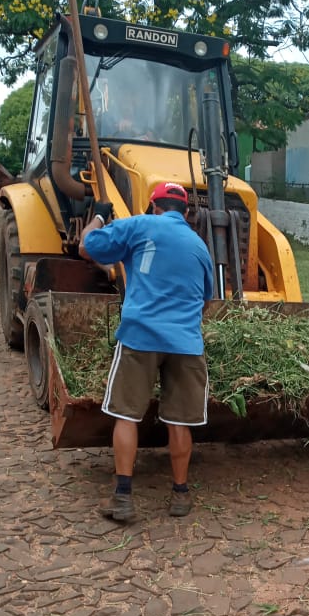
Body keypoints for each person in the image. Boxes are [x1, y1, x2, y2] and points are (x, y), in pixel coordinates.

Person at [79, 182, 214, 521]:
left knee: (126, 414)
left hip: (140, 337)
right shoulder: (199, 246)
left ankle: (123, 498)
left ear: (154, 207)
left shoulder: (139, 225)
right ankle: (180, 495)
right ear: (186, 213)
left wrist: (98, 214)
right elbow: (207, 300)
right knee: (179, 421)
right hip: (186, 342)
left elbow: (86, 247)